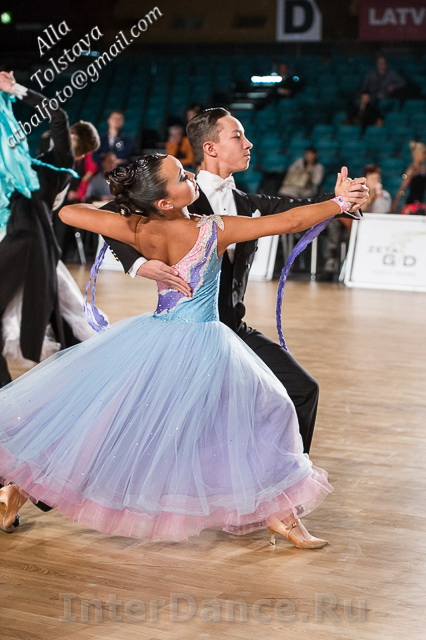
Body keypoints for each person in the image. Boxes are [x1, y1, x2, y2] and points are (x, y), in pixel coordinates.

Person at [0, 153, 359, 546]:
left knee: (112, 424)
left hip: (154, 339)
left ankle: (18, 489)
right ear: (166, 201)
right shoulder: (214, 229)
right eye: (183, 177)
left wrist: (138, 254)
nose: (191, 176)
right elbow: (288, 223)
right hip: (203, 342)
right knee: (269, 409)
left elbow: (70, 212)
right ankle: (280, 515)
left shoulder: (137, 228)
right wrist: (339, 203)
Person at [103, 108, 369, 454]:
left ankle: (288, 477)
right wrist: (139, 263)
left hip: (233, 328)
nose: (249, 144)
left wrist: (343, 200)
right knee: (159, 416)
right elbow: (111, 212)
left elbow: (299, 210)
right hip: (186, 336)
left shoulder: (248, 203)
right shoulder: (179, 195)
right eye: (238, 136)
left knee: (302, 389)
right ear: (210, 148)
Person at [0, 71, 100, 387]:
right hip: (28, 239)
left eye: (67, 133)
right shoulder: (48, 162)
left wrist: (16, 89)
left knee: (40, 310)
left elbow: (57, 116)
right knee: (58, 307)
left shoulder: (61, 160)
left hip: (28, 240)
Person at [392, 142, 426, 213]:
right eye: (424, 153)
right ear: (417, 154)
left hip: (421, 204)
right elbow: (403, 188)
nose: (425, 155)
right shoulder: (411, 170)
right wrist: (395, 204)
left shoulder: (424, 169)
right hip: (411, 204)